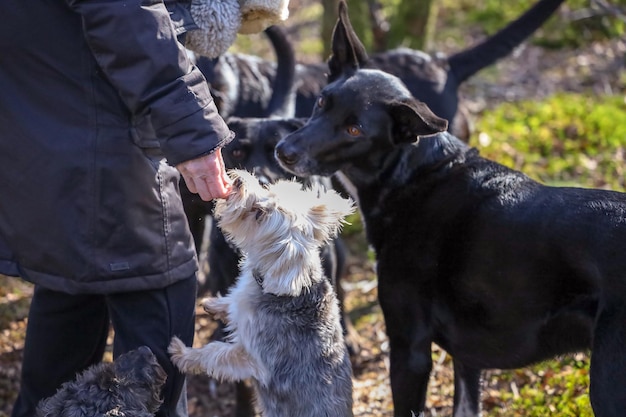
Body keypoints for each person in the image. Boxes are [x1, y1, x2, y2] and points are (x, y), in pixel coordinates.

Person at [0, 1, 235, 416]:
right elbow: (126, 11)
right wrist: (191, 127)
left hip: (45, 160)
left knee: (53, 369)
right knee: (153, 380)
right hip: (114, 164)